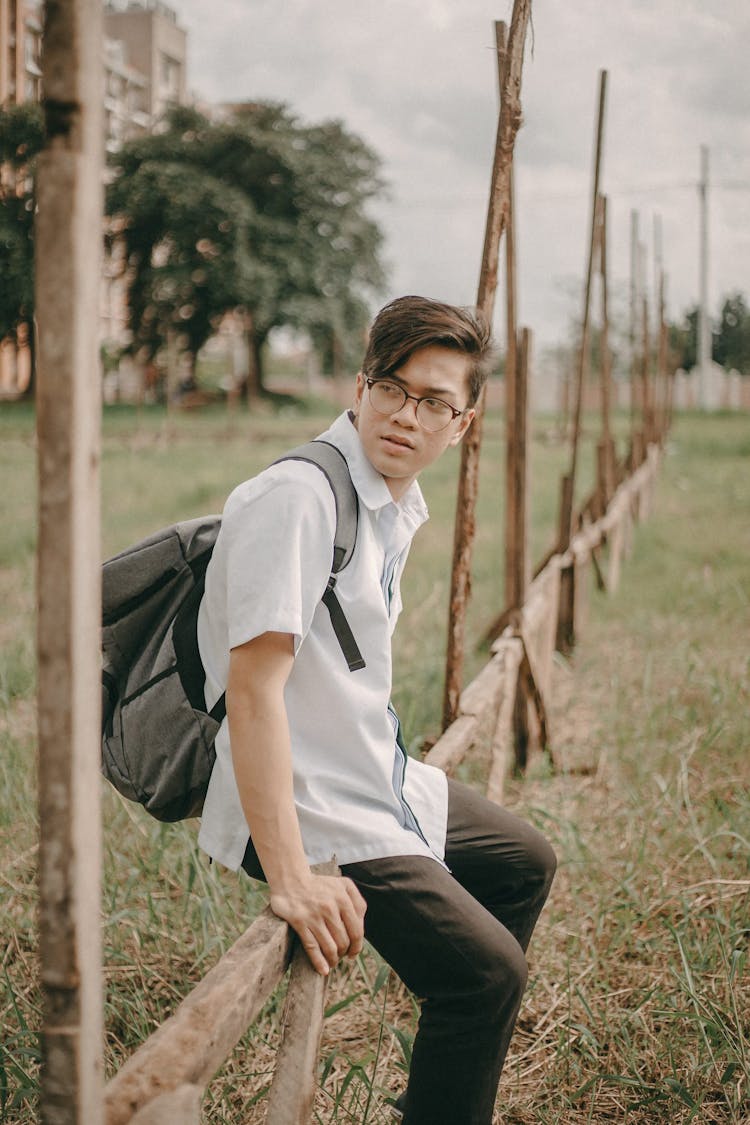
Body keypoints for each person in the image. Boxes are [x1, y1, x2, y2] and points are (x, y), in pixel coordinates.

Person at [197, 295, 556, 1125]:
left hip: (369, 769)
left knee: (523, 861)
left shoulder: (389, 498)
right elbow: (252, 693)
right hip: (308, 799)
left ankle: (443, 1057)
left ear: (462, 424)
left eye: (434, 402)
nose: (406, 414)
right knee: (488, 974)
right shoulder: (300, 498)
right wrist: (292, 878)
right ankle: (456, 1030)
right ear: (360, 386)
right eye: (392, 387)